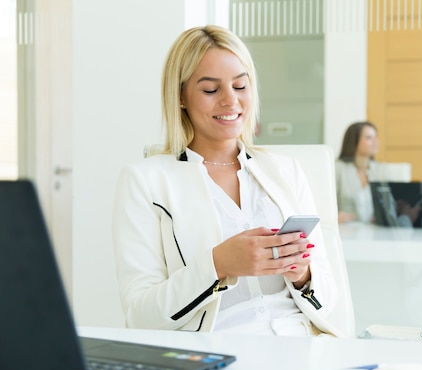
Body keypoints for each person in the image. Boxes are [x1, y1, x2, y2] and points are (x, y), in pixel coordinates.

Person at [112, 25, 350, 337]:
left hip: (300, 345)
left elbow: (332, 301)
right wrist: (218, 265)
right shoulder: (145, 181)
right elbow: (141, 316)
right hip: (218, 349)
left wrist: (303, 274)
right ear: (181, 96)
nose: (230, 101)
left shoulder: (286, 171)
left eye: (240, 86)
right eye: (211, 90)